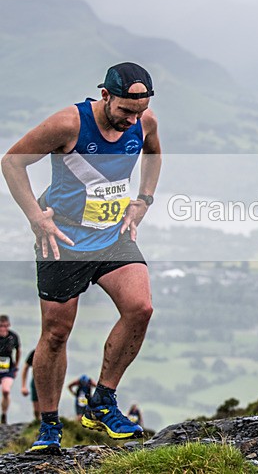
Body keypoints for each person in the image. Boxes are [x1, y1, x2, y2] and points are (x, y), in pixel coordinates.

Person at [1, 62, 162, 453]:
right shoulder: (68, 123)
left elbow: (154, 154)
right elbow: (12, 162)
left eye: (138, 112)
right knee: (56, 334)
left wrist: (143, 200)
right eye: (125, 110)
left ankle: (103, 402)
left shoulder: (144, 120)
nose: (132, 120)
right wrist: (36, 218)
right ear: (105, 96)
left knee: (140, 307)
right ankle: (50, 426)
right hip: (63, 239)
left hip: (111, 236)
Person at [0, 315, 22, 424]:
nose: (3, 329)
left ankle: (4, 414)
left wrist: (16, 366)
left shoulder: (13, 337)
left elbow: (18, 350)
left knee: (6, 390)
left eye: (5, 326)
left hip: (7, 368)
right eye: (1, 326)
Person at [20, 349, 39, 420]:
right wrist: (23, 386)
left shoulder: (54, 351)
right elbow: (25, 367)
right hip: (36, 382)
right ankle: (37, 422)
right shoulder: (35, 352)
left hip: (50, 383)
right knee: (36, 408)